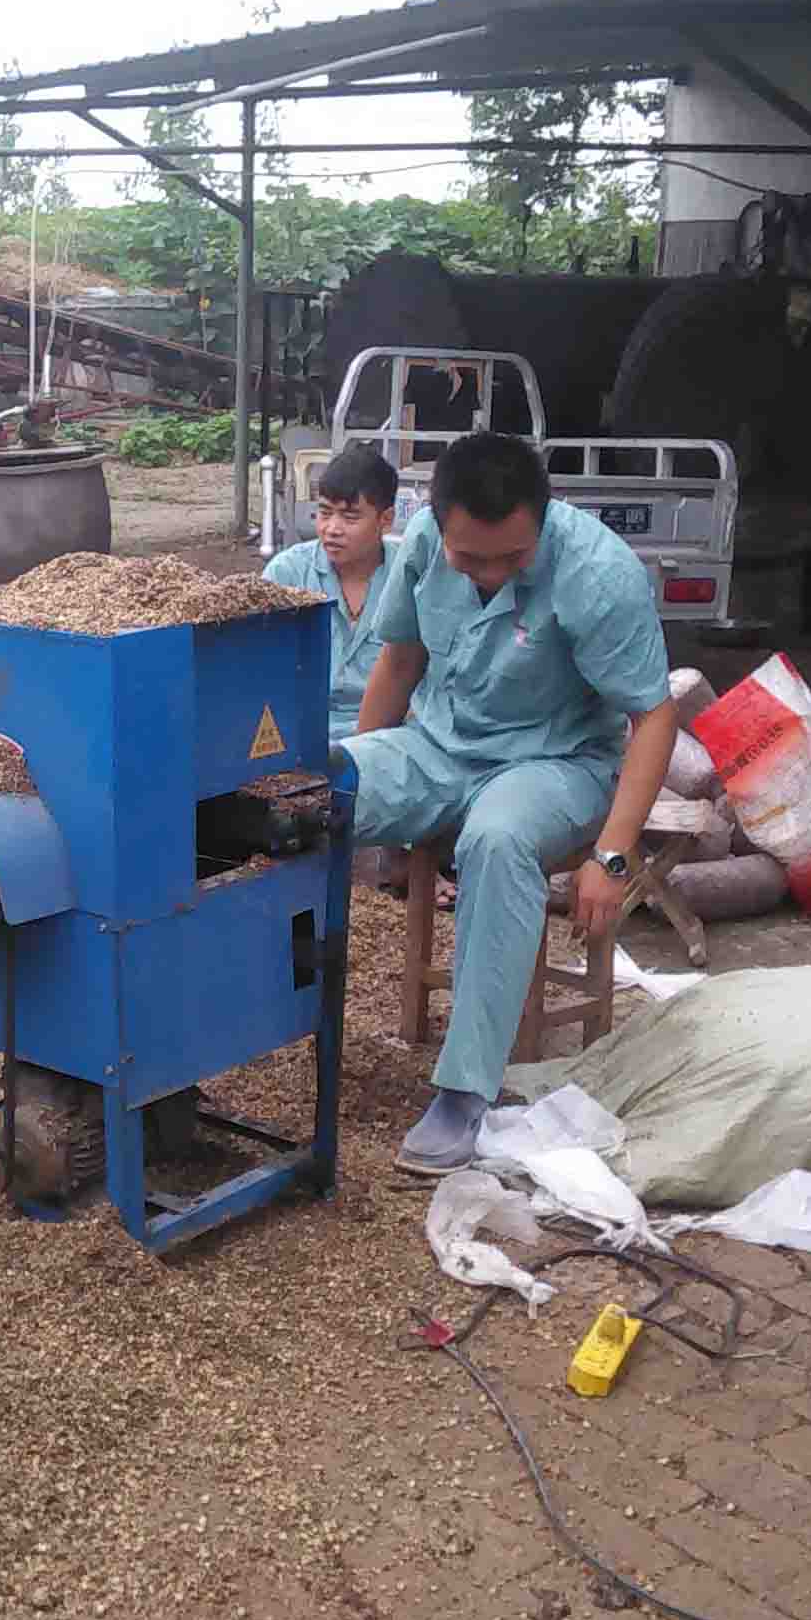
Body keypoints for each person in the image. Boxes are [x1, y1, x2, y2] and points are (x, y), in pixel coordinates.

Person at [343, 431, 677, 1178]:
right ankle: (263, 1018)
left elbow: (653, 716)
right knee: (316, 791)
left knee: (494, 841)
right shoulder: (425, 542)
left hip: (556, 762)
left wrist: (613, 854)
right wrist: (364, 775)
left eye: (510, 558)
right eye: (472, 559)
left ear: (542, 518)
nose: (489, 572)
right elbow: (400, 661)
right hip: (441, 745)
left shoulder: (599, 574)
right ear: (437, 523)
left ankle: (465, 1091)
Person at [262, 441, 401, 743]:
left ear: (385, 520)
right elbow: (258, 670)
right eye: (324, 513)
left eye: (350, 517)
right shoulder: (287, 574)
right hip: (295, 730)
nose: (332, 528)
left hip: (388, 737)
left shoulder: (410, 576)